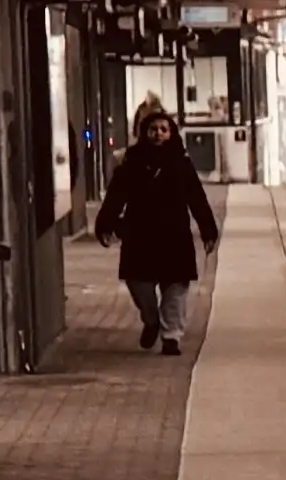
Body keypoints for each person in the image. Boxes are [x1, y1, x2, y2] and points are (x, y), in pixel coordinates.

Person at [93, 96, 219, 355]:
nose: (159, 134)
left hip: (175, 236)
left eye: (164, 129)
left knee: (176, 288)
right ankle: (151, 319)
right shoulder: (131, 164)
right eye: (153, 130)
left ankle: (171, 336)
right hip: (139, 235)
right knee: (139, 284)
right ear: (144, 133)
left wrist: (208, 230)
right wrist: (104, 225)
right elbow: (116, 197)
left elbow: (197, 198)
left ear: (171, 133)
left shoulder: (181, 164)